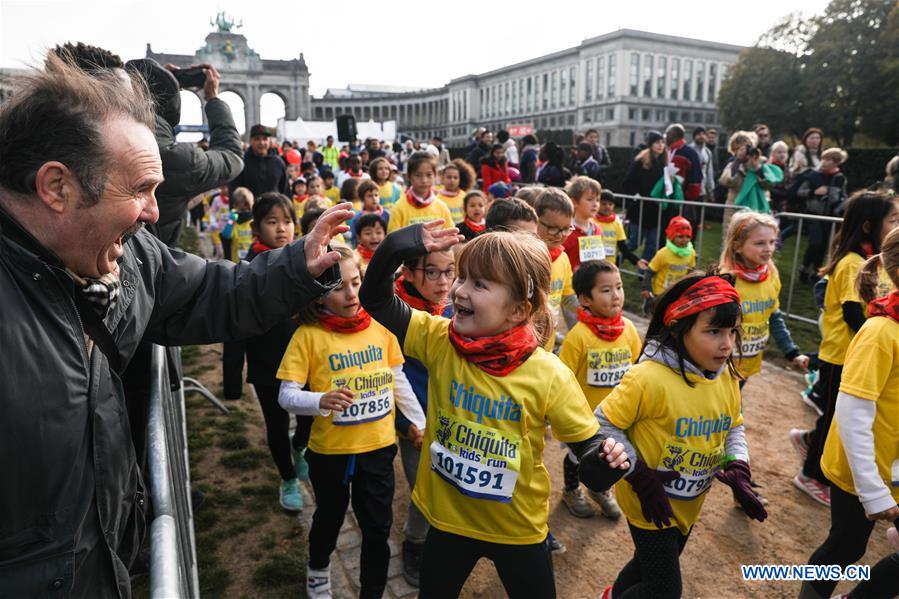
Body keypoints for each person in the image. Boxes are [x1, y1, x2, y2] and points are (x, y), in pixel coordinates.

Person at [0, 55, 354, 597]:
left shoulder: (131, 255)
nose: (153, 213)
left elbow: (213, 291)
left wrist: (298, 267)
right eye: (140, 188)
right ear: (56, 187)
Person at [360, 223, 630, 598]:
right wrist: (396, 245)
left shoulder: (548, 373)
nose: (458, 290)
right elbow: (375, 300)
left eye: (479, 284)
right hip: (448, 521)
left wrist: (602, 462)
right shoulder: (440, 339)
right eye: (463, 276)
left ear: (519, 308)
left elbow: (585, 444)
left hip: (516, 528)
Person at [597, 272, 767, 599]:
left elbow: (734, 425)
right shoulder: (647, 377)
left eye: (733, 331)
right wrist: (638, 474)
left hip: (689, 503)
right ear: (679, 327)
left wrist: (739, 465)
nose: (727, 343)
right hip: (648, 501)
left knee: (651, 565)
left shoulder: (726, 376)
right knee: (664, 590)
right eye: (714, 331)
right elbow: (602, 424)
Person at [277, 246, 425, 599]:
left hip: (377, 449)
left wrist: (418, 421)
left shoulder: (380, 326)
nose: (351, 293)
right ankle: (318, 568)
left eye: (356, 282)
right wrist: (320, 401)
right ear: (317, 293)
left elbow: (397, 378)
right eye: (338, 286)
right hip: (331, 453)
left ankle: (372, 591)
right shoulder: (308, 336)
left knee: (377, 529)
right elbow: (286, 395)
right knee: (328, 519)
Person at [803, 226, 899, 599]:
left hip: (891, 468)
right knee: (845, 547)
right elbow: (852, 413)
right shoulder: (880, 333)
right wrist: (872, 490)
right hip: (861, 474)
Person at [790, 191, 899, 507]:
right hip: (843, 355)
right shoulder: (853, 262)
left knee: (831, 416)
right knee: (835, 418)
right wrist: (879, 334)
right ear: (868, 226)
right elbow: (853, 314)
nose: (897, 225)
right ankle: (810, 475)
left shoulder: (874, 260)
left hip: (859, 356)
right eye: (892, 220)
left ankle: (806, 440)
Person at [123, 58, 244, 248]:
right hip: (150, 265)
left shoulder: (93, 142)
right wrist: (212, 99)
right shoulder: (178, 160)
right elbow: (232, 156)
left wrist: (155, 79)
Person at [242, 193, 311, 511]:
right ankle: (288, 479)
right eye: (272, 222)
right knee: (277, 421)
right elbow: (237, 321)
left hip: (306, 357)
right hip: (266, 358)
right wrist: (233, 375)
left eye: (287, 221)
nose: (282, 229)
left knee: (309, 417)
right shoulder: (249, 266)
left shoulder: (306, 260)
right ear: (257, 228)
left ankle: (300, 449)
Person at [392, 246, 455, 586]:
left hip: (450, 415)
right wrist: (408, 423)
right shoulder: (394, 313)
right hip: (415, 421)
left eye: (450, 271)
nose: (444, 281)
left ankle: (444, 539)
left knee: (447, 485)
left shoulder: (454, 307)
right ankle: (414, 542)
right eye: (433, 272)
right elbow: (391, 373)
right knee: (423, 488)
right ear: (409, 273)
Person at [559, 260, 640, 520]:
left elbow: (638, 370)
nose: (616, 295)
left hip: (616, 417)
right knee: (575, 457)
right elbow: (562, 377)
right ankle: (571, 490)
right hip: (583, 418)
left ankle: (600, 489)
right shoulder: (579, 336)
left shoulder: (628, 329)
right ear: (585, 298)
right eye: (605, 290)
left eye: (618, 287)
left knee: (611, 456)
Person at [790, 147, 849, 283]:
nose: (824, 162)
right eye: (823, 158)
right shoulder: (813, 175)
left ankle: (817, 273)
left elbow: (843, 196)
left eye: (828, 159)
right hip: (813, 214)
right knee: (815, 242)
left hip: (830, 216)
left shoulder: (840, 178)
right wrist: (813, 192)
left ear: (836, 162)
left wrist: (833, 193)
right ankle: (804, 269)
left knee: (824, 246)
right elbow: (800, 192)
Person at [562, 177, 644, 271]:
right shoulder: (565, 232)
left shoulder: (597, 230)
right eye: (590, 199)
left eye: (597, 200)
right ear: (574, 202)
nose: (595, 204)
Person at [535, 188, 579, 351]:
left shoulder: (563, 258)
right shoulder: (525, 257)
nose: (560, 235)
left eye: (566, 228)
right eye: (552, 228)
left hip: (547, 345)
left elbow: (567, 298)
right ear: (536, 220)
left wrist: (590, 315)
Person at [622, 130, 667, 262]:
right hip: (640, 209)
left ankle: (644, 273)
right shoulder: (640, 161)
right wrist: (635, 195)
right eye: (657, 142)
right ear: (651, 144)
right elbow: (627, 182)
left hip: (656, 210)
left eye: (662, 142)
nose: (661, 145)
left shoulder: (664, 163)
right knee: (634, 242)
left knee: (652, 244)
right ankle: (618, 260)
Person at [642, 217, 697, 315]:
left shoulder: (691, 253)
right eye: (680, 236)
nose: (684, 240)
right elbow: (649, 272)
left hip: (677, 294)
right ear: (672, 236)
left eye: (687, 237)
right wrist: (647, 289)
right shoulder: (663, 253)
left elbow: (691, 271)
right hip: (660, 294)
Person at [387, 152, 454, 232]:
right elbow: (393, 241)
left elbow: (451, 234)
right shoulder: (398, 208)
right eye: (418, 175)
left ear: (435, 175)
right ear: (409, 176)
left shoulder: (442, 207)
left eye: (429, 175)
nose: (424, 180)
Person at [228, 124, 289, 200]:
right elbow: (234, 192)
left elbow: (285, 191)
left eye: (265, 139)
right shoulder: (241, 163)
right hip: (250, 210)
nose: (262, 143)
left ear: (270, 141)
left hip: (273, 210)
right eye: (257, 139)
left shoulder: (278, 163)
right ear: (250, 141)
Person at [350, 179, 389, 246]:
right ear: (362, 199)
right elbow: (354, 240)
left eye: (376, 195)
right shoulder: (357, 218)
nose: (374, 198)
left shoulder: (386, 215)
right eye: (370, 196)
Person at [437, 160, 475, 224]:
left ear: (459, 179)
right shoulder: (437, 197)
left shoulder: (464, 195)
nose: (452, 180)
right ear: (442, 178)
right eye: (449, 177)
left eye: (455, 178)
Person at [687, 126, 715, 203]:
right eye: (699, 134)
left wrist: (711, 191)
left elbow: (709, 172)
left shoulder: (707, 152)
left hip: (702, 190)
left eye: (703, 134)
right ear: (694, 136)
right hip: (689, 188)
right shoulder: (688, 150)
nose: (701, 136)